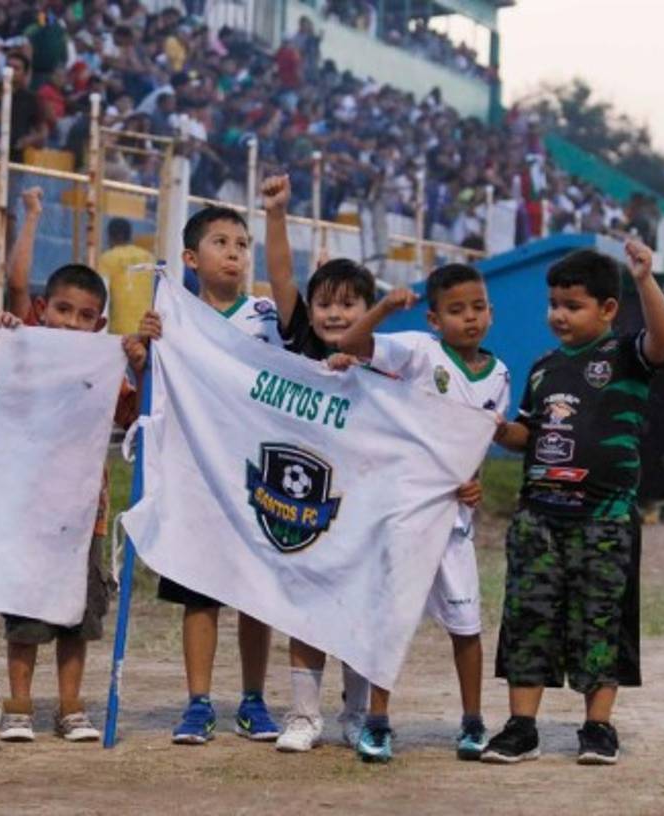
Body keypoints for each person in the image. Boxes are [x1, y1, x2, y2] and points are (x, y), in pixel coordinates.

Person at [481, 241, 664, 766]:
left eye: (572, 305)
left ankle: (597, 728)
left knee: (600, 619)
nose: (558, 315)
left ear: (608, 309)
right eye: (554, 304)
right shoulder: (544, 368)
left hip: (605, 521)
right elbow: (529, 431)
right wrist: (505, 431)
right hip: (538, 519)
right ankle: (521, 727)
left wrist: (645, 280)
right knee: (528, 617)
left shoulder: (627, 356)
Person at [335, 263, 511, 763]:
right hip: (407, 510)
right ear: (435, 319)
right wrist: (386, 307)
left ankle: (473, 721)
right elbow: (350, 342)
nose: (470, 319)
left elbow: (477, 439)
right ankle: (377, 720)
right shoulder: (417, 351)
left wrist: (474, 482)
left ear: (491, 313)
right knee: (391, 618)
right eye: (457, 311)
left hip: (454, 521)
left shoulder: (498, 374)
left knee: (467, 625)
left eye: (478, 308)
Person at [0, 260, 158, 742]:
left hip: (86, 515)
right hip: (24, 512)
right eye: (62, 309)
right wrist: (4, 334)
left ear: (99, 325)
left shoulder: (104, 371)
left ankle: (71, 707)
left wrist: (139, 366)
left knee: (78, 617)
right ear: (42, 311)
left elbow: (136, 417)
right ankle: (18, 706)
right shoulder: (23, 355)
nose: (70, 322)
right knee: (24, 614)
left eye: (84, 315)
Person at [256, 173, 378, 753]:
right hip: (302, 502)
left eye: (348, 305)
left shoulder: (384, 361)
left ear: (369, 311)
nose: (333, 315)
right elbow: (281, 276)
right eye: (325, 304)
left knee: (356, 613)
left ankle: (356, 715)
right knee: (305, 611)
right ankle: (304, 715)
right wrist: (278, 215)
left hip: (360, 507)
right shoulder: (301, 340)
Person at [160, 204, 284, 745]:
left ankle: (253, 699)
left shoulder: (267, 317)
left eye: (241, 243)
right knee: (199, 593)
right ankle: (198, 701)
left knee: (256, 594)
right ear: (191, 258)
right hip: (197, 474)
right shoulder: (173, 316)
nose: (233, 253)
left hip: (257, 473)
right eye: (220, 243)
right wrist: (145, 347)